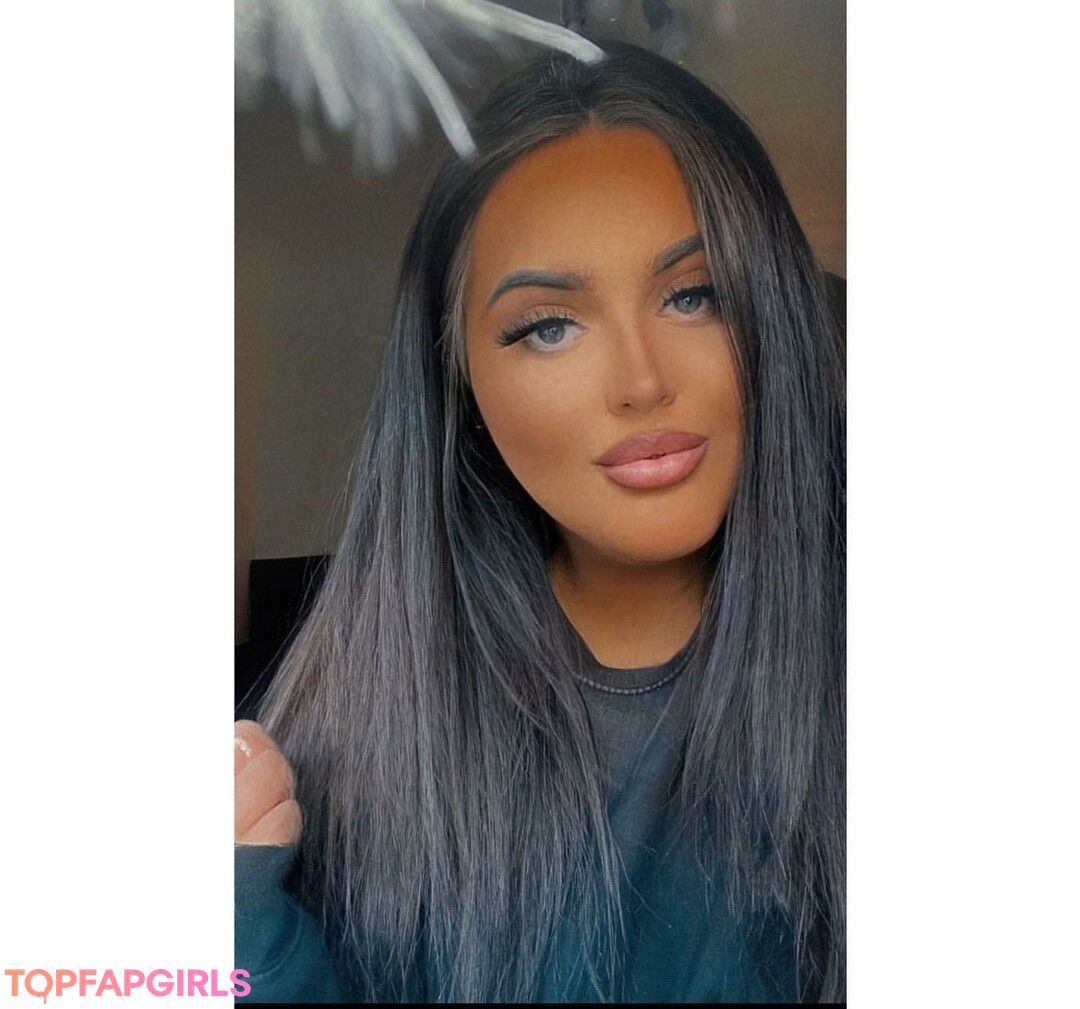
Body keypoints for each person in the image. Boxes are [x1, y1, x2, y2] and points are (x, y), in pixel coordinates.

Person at [234, 42, 845, 1004]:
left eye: (695, 295)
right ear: (461, 384)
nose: (641, 381)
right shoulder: (354, 722)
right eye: (549, 326)